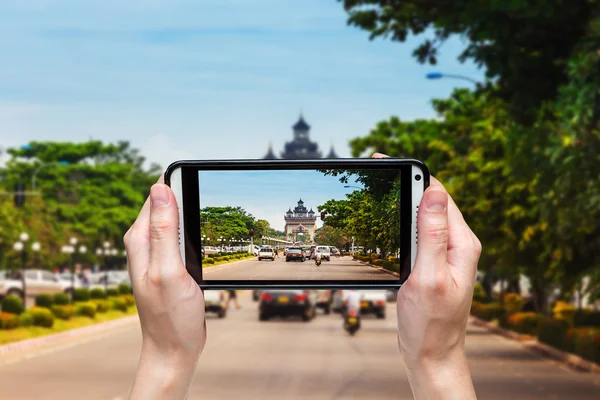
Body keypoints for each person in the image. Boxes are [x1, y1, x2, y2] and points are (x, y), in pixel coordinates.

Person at [124, 153, 481, 399]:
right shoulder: (300, 228)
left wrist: (166, 355)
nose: (297, 235)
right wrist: (439, 360)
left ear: (302, 223)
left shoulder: (304, 232)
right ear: (298, 222)